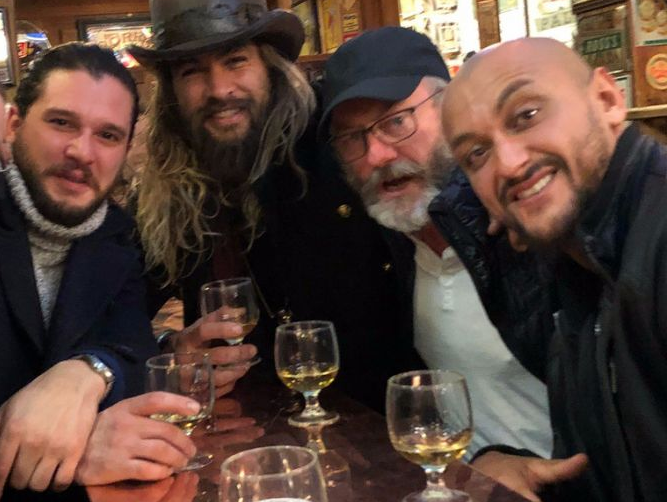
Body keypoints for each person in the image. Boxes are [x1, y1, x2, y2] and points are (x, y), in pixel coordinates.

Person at [128, 0, 421, 412]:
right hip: (240, 429)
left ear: (269, 65)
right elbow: (116, 308)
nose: (219, 89)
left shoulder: (338, 144)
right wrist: (171, 346)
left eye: (235, 61)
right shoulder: (168, 185)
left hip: (379, 424)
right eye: (191, 71)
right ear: (171, 91)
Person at [440, 37, 667, 502]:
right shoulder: (576, 268)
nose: (509, 164)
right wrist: (498, 465)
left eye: (527, 115)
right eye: (477, 154)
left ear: (607, 99)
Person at [319, 26, 552, 457]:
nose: (376, 155)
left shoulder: (527, 227)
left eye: (396, 122)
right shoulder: (395, 245)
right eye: (352, 138)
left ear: (452, 113)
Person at [0, 43, 199, 500]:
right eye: (61, 122)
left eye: (107, 135)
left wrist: (88, 373)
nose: (82, 152)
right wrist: (69, 456)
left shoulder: (115, 237)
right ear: (13, 125)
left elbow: (132, 348)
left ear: (126, 150)